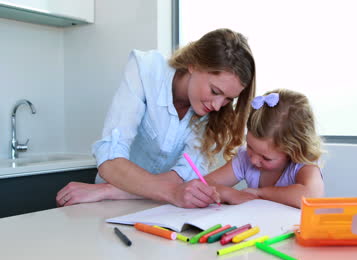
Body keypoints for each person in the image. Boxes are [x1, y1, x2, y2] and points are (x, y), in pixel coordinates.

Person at [56, 28, 256, 208]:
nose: (217, 105)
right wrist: (172, 192)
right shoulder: (146, 69)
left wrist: (109, 190)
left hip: (158, 207)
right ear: (193, 65)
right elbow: (111, 159)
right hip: (107, 205)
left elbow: (180, 178)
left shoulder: (216, 117)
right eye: (214, 91)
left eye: (228, 99)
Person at [205, 89, 324, 209]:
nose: (254, 160)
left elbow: (312, 196)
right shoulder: (245, 158)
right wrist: (229, 194)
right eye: (250, 146)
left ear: (293, 152)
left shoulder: (302, 165)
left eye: (266, 158)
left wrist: (260, 193)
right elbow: (204, 183)